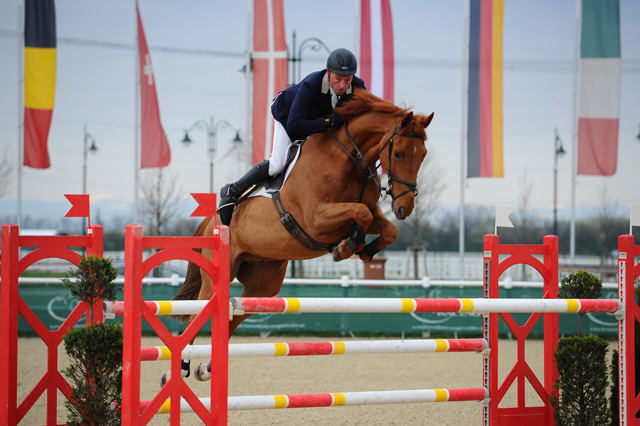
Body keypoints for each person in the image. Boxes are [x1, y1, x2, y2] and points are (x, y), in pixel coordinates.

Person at [217, 47, 367, 226]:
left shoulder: (358, 87)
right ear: (328, 74)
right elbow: (295, 125)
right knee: (277, 164)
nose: (342, 85)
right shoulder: (311, 85)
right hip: (287, 115)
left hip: (316, 123)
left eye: (347, 80)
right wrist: (329, 122)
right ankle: (232, 191)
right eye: (338, 79)